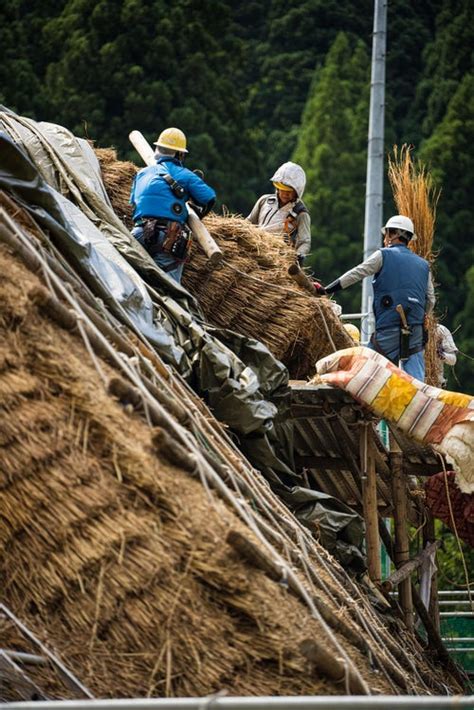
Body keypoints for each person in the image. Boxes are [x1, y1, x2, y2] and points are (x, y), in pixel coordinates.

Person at [320, 215, 435, 381]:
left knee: (367, 372)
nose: (385, 237)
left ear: (393, 234)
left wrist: (327, 290)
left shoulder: (383, 255)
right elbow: (430, 299)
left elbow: (357, 273)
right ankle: (419, 405)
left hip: (389, 327)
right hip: (415, 330)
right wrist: (421, 315)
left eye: (387, 233)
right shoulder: (424, 265)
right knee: (416, 380)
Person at [130, 127, 216, 283]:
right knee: (167, 290)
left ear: (158, 149)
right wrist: (198, 215)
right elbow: (209, 198)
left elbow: (134, 203)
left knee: (129, 278)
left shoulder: (141, 173)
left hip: (140, 232)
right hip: (169, 237)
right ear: (180, 154)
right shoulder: (185, 175)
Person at [247, 161, 311, 265]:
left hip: (278, 257)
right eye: (282, 190)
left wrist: (299, 255)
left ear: (297, 191)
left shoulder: (301, 213)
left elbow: (305, 241)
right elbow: (249, 223)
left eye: (289, 191)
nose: (285, 194)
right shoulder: (264, 201)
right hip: (255, 248)